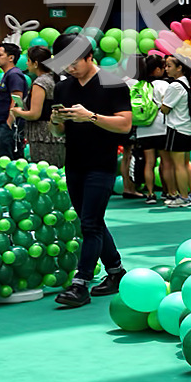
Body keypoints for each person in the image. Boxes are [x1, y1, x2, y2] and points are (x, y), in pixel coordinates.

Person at [49, 32, 133, 307]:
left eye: (74, 62)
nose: (70, 68)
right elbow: (59, 131)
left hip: (102, 164)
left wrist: (91, 117)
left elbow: (125, 125)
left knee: (90, 224)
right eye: (65, 63)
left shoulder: (113, 84)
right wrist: (56, 121)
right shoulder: (63, 88)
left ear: (89, 57)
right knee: (92, 221)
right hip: (74, 163)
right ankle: (116, 271)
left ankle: (80, 283)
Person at [155, 55, 191, 207]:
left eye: (169, 66)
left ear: (179, 68)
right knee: (186, 163)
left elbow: (165, 109)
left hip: (177, 129)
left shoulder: (175, 86)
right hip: (188, 128)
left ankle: (184, 197)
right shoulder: (186, 82)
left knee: (178, 165)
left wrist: (161, 102)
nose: (166, 69)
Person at [13, 42, 64, 168]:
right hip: (55, 135)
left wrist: (17, 112)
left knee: (43, 171)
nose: (26, 63)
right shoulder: (53, 79)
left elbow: (34, 114)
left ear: (35, 63)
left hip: (43, 136)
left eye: (28, 60)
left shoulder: (40, 83)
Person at [127, 53, 167, 202]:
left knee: (149, 162)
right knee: (164, 162)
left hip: (143, 128)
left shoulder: (139, 85)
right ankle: (167, 191)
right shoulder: (162, 84)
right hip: (161, 126)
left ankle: (150, 194)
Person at [0, 42, 30, 159]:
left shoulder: (14, 75)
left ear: (11, 58)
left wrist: (9, 122)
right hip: (2, 122)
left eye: (0, 55)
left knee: (8, 158)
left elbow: (16, 99)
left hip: (10, 124)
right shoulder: (7, 74)